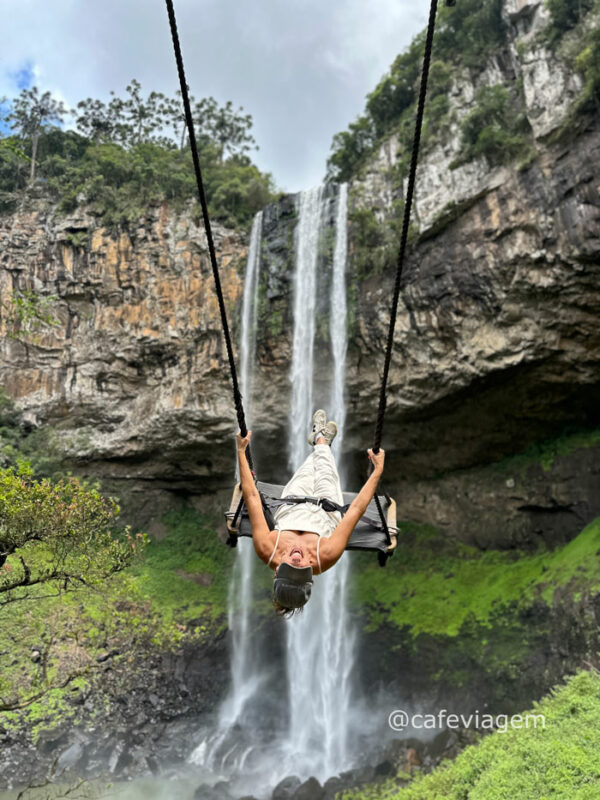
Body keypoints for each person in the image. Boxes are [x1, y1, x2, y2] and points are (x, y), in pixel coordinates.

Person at [236, 410, 385, 618]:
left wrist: (241, 451)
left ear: (277, 570)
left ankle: (320, 439)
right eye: (302, 571)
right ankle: (321, 440)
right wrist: (377, 470)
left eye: (290, 569)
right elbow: (357, 510)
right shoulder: (326, 555)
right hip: (327, 506)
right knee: (323, 463)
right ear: (310, 577)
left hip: (293, 500)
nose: (297, 562)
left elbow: (251, 496)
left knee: (311, 464)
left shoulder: (266, 548)